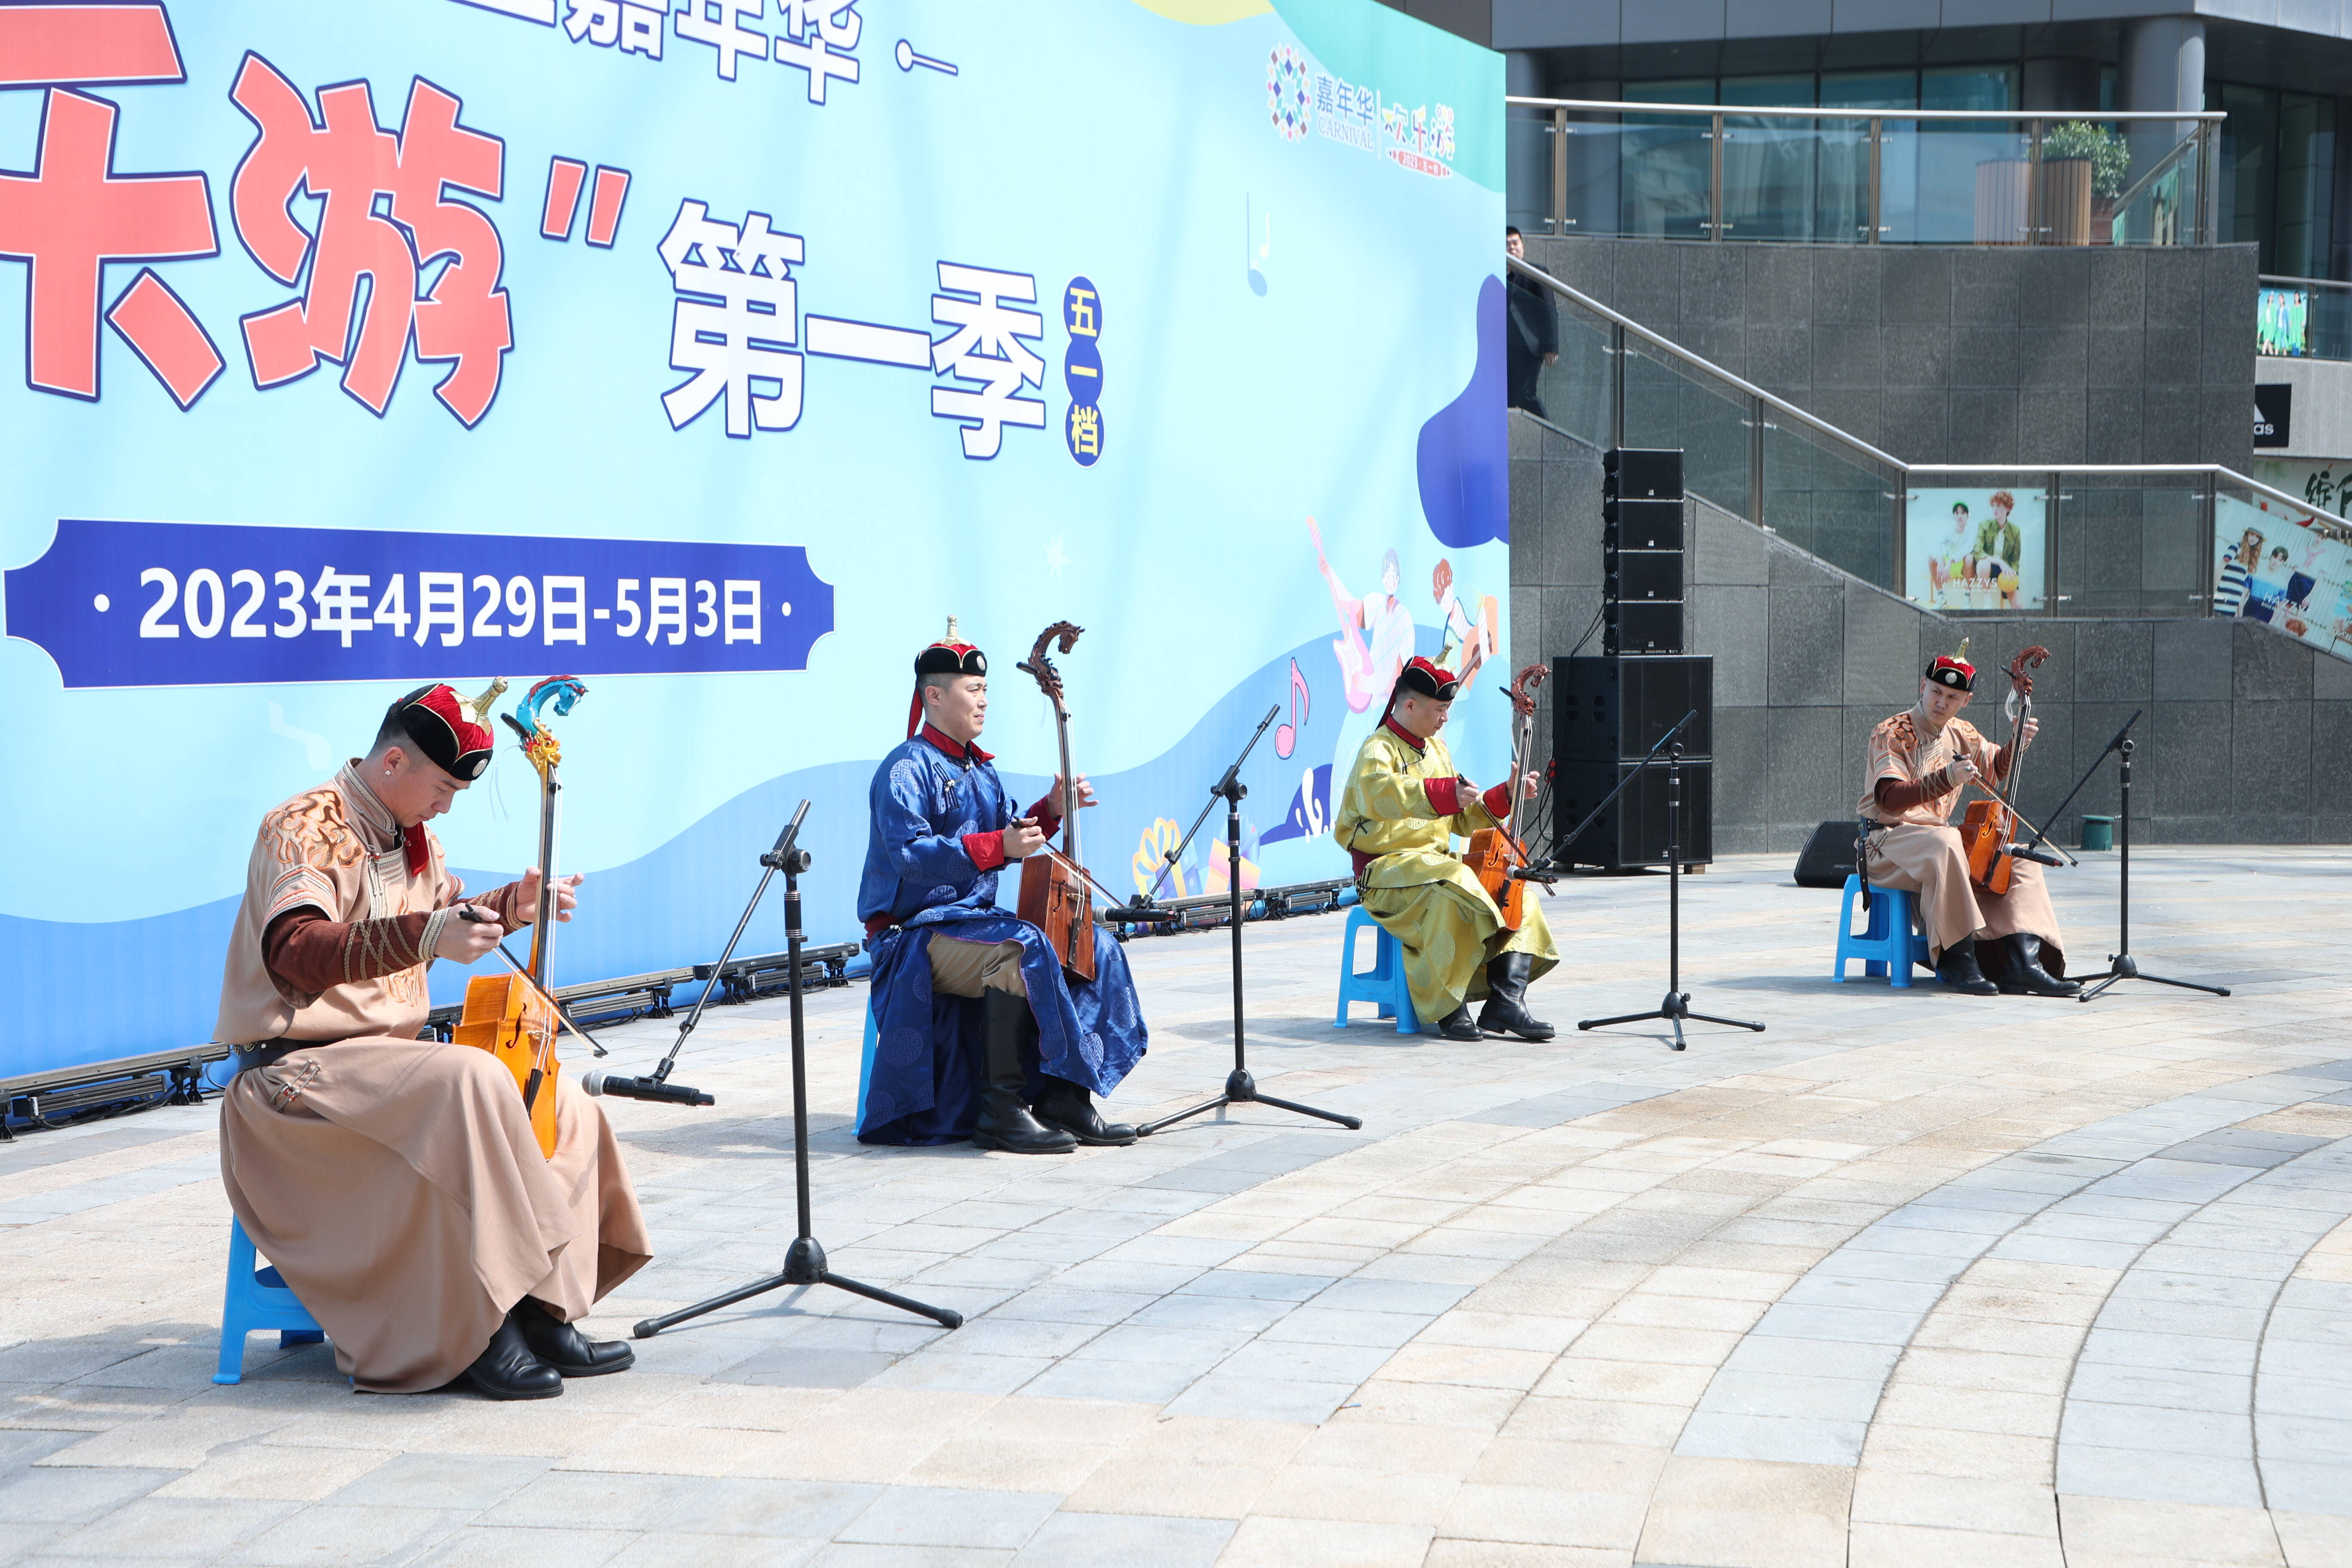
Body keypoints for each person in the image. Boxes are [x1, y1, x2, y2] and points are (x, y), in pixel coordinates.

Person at [214, 684, 651, 1401]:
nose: (446, 806)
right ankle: (484, 1328)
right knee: (471, 1079)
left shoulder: (415, 839)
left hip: (383, 1075)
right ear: (394, 761)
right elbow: (295, 950)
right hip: (296, 1082)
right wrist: (426, 936)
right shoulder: (303, 825)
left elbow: (448, 917)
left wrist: (514, 906)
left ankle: (544, 1308)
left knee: (559, 1101)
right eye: (443, 788)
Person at [857, 620, 1150, 1154]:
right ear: (934, 696)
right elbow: (910, 858)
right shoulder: (904, 770)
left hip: (971, 927)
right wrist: (999, 846)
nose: (984, 701)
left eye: (986, 690)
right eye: (974, 690)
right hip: (913, 936)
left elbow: (1011, 832)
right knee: (1021, 948)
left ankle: (1065, 1097)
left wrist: (1052, 810)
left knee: (1096, 946)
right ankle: (1000, 1111)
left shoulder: (981, 771)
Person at [1333, 654, 1557, 1040]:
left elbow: (1462, 819)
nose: (1445, 719)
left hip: (1434, 867)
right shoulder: (1377, 750)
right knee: (1455, 885)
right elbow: (1382, 794)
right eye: (1439, 710)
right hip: (1384, 872)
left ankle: (1506, 999)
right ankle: (1449, 1006)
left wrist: (1507, 794)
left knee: (1516, 893)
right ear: (1410, 706)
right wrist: (1444, 793)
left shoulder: (1437, 752)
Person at [1858, 649, 2076, 998]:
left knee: (2017, 856)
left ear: (1966, 701)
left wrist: (2017, 742)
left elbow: (1996, 768)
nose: (1941, 702)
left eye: (1952, 697)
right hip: (1886, 842)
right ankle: (1957, 958)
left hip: (1934, 845)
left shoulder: (1962, 732)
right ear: (1923, 686)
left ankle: (2024, 964)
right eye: (1936, 692)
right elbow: (1890, 799)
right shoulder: (1893, 731)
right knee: (1947, 842)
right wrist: (1947, 778)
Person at [1504, 227, 1559, 418]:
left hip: (1529, 348)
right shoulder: (1497, 276)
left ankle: (1549, 431)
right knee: (1508, 399)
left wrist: (1551, 346)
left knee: (1526, 394)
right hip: (1504, 351)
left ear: (1523, 246)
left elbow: (1549, 308)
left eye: (1515, 243)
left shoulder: (1536, 272)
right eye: (1507, 244)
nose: (1512, 248)